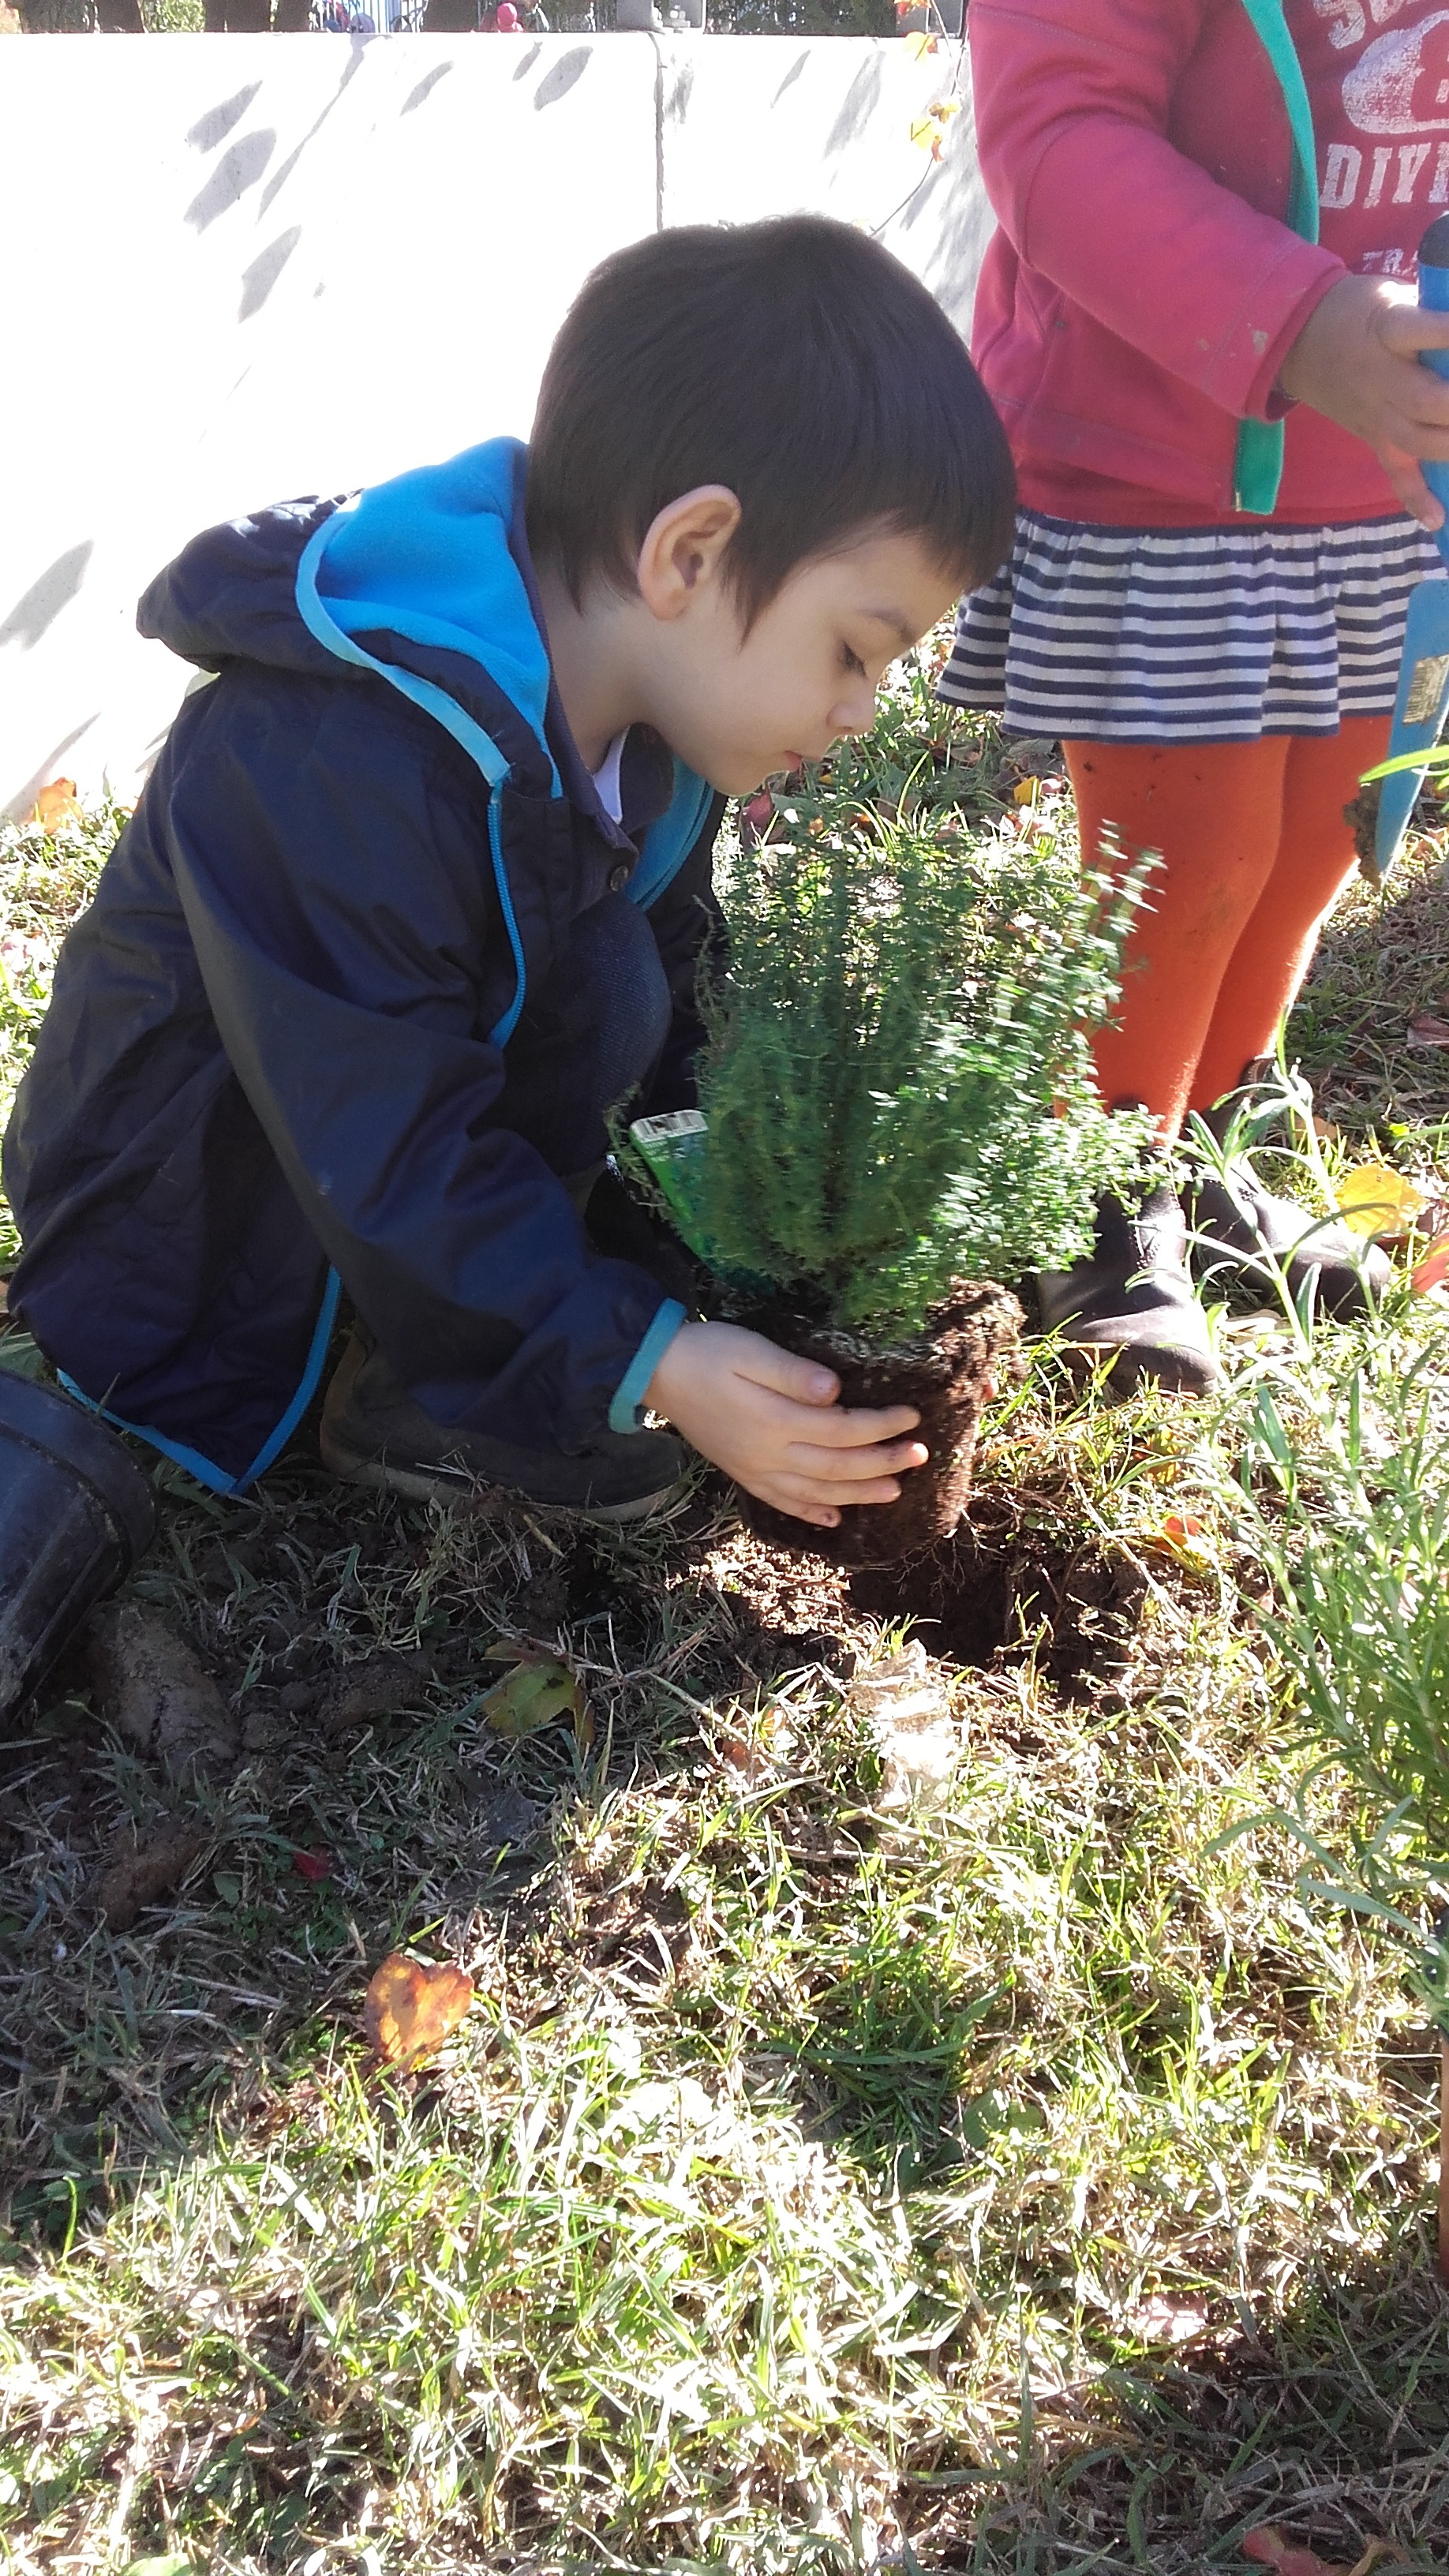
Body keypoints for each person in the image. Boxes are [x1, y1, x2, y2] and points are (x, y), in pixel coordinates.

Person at [4, 217, 1015, 1536]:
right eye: (854, 650)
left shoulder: (655, 737)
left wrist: (746, 1225)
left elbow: (670, 1018)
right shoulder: (334, 757)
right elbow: (383, 1133)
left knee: (622, 977)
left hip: (371, 1162)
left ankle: (482, 1318)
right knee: (600, 984)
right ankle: (401, 1383)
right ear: (691, 554)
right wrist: (645, 1357)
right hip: (195, 1249)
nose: (864, 709)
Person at [939, 0, 1449, 1392]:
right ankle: (1096, 1199)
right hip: (1162, 471)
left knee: (1318, 841)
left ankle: (1210, 1153)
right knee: (1190, 860)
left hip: (1386, 479)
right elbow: (1057, 132)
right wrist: (1303, 321)